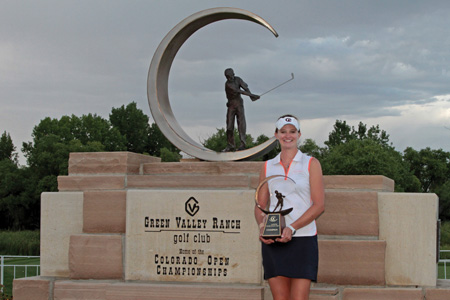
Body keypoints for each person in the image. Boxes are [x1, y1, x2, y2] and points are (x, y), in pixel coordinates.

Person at [254, 114, 325, 300]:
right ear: (276, 135)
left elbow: (319, 205)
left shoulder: (311, 164)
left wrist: (292, 228)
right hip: (275, 240)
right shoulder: (268, 166)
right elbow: (260, 206)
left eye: (292, 131)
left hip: (303, 239)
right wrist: (263, 227)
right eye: (283, 131)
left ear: (299, 134)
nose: (288, 135)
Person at [223, 68, 260, 152]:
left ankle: (242, 144)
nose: (230, 78)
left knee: (241, 124)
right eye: (228, 77)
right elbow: (239, 91)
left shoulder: (238, 79)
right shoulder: (228, 84)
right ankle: (230, 145)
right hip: (231, 105)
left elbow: (245, 88)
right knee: (229, 126)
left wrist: (251, 97)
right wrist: (252, 95)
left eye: (231, 76)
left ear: (233, 74)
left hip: (239, 104)